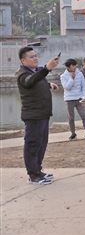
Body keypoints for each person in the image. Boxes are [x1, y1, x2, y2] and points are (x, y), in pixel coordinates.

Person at [16, 47, 60, 185]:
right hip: (33, 115)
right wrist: (47, 68)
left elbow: (37, 80)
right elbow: (30, 81)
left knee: (41, 144)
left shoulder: (34, 71)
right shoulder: (22, 74)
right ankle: (33, 175)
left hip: (43, 114)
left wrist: (49, 84)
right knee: (33, 144)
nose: (35, 58)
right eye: (31, 57)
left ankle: (38, 170)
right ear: (23, 60)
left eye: (36, 55)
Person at [60, 58, 85, 140]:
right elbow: (66, 87)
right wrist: (71, 79)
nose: (75, 67)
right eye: (73, 65)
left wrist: (83, 96)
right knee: (71, 117)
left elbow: (84, 85)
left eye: (75, 65)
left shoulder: (79, 74)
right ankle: (73, 134)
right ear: (68, 67)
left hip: (79, 98)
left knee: (84, 116)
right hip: (69, 99)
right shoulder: (63, 76)